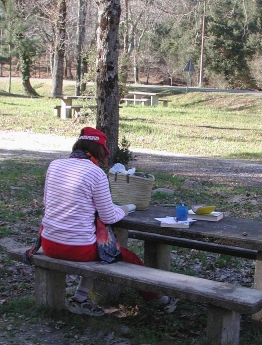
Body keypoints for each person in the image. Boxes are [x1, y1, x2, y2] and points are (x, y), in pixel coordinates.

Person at [38, 126, 177, 316]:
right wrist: (128, 208)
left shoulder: (54, 165)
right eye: (105, 152)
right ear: (99, 151)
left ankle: (80, 298)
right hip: (77, 249)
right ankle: (162, 299)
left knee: (99, 245)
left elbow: (48, 202)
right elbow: (109, 217)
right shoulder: (96, 174)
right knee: (127, 257)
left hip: (48, 244)